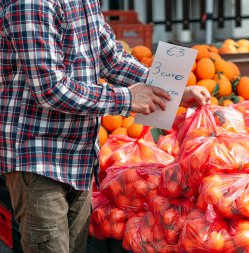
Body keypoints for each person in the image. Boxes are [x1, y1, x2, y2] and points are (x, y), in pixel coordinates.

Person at [0, 0, 210, 252]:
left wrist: (172, 92)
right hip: (39, 156)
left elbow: (112, 60)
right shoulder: (31, 4)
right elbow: (50, 89)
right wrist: (128, 99)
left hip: (79, 157)